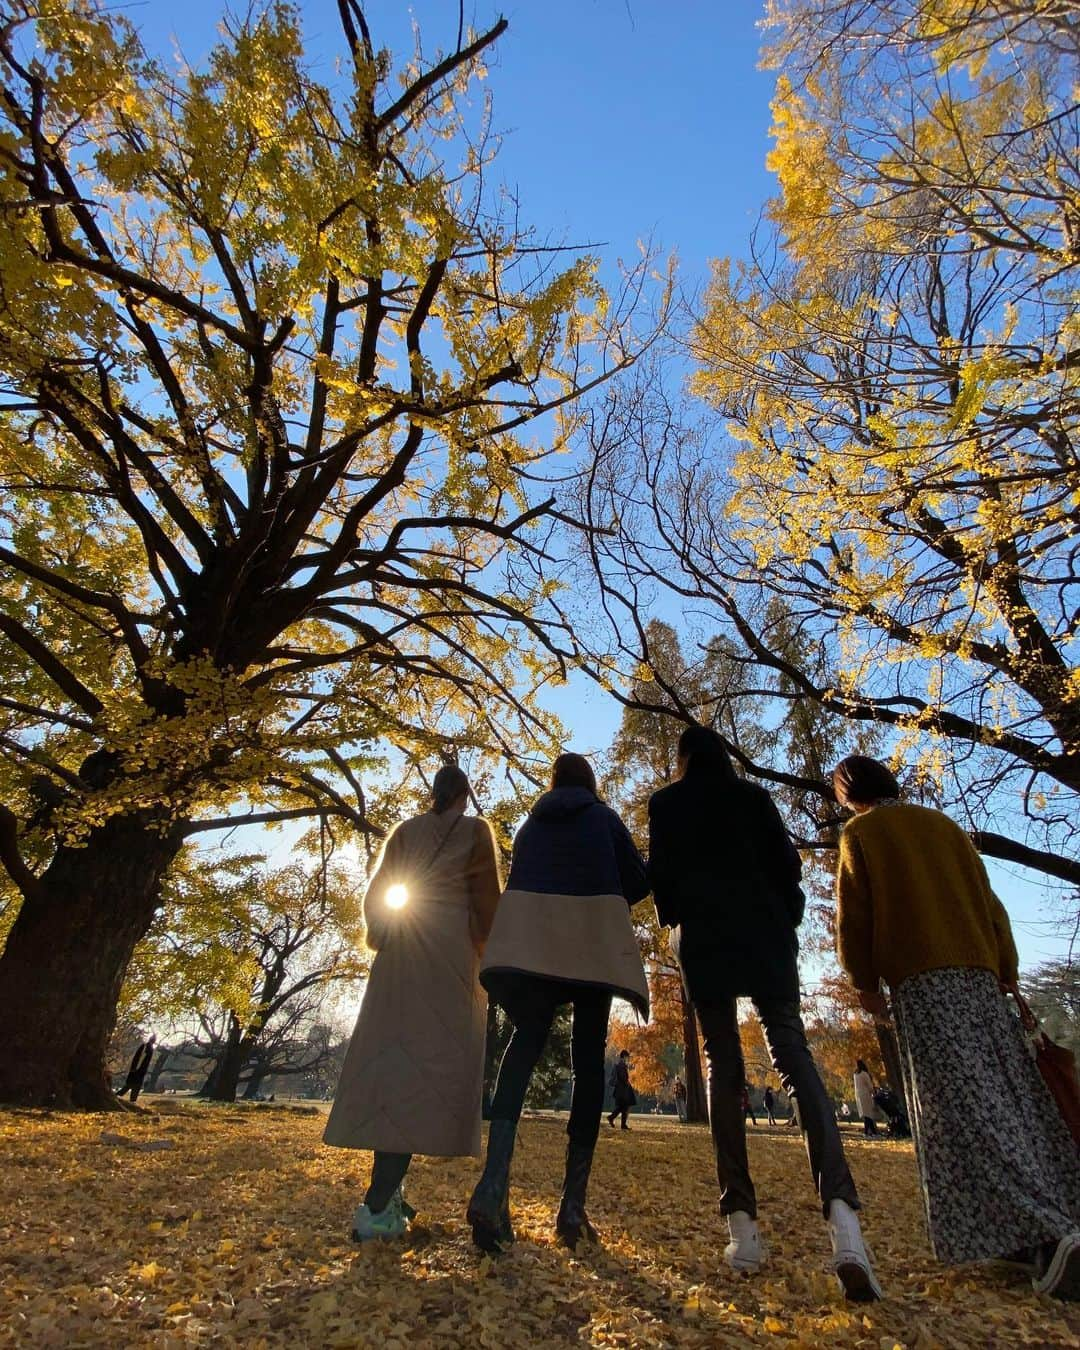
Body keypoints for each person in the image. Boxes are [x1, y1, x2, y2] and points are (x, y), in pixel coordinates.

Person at [834, 754, 1080, 1300]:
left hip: (925, 983)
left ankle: (1049, 1231)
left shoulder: (864, 832)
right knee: (1010, 1100)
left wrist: (865, 981)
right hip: (983, 979)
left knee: (961, 1113)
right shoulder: (945, 828)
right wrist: (1008, 974)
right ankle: (1026, 1234)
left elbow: (856, 913)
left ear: (849, 792)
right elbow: (994, 910)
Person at [649, 725, 880, 1301]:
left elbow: (664, 883)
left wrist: (678, 919)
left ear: (682, 760)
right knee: (793, 1056)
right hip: (767, 936)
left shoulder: (667, 802)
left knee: (721, 1064)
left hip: (705, 941)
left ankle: (743, 1229)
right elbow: (788, 867)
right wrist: (786, 917)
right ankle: (843, 1222)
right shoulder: (755, 797)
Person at [467, 752, 649, 1252]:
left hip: (533, 950)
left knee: (524, 1043)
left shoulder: (530, 826)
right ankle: (571, 1209)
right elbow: (638, 879)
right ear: (589, 782)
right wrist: (601, 890)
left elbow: (519, 881)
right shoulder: (605, 819)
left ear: (553, 783)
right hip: (590, 946)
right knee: (589, 1059)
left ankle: (492, 1186)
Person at [324, 764, 502, 1242]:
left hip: (402, 954)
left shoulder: (405, 830)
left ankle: (388, 1193)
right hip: (449, 959)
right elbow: (487, 904)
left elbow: (379, 891)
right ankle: (377, 1204)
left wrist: (380, 935)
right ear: (464, 795)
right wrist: (490, 955)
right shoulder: (475, 832)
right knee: (428, 1076)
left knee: (394, 1072)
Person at [115, 1034, 156, 1103]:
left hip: (140, 1069)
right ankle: (130, 1099)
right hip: (138, 1069)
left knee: (132, 1084)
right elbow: (141, 1058)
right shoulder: (146, 1046)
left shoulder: (149, 1047)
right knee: (134, 1085)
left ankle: (123, 1096)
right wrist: (136, 1068)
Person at [608, 1049, 636, 1130]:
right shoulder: (621, 1065)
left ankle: (619, 1122)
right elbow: (623, 1077)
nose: (628, 1059)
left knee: (623, 1107)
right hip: (622, 1090)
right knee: (623, 1107)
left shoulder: (621, 1065)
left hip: (621, 1090)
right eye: (627, 1057)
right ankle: (612, 1118)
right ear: (624, 1056)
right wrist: (627, 1082)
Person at [853, 1060, 879, 1136]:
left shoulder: (855, 1075)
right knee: (868, 1114)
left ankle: (872, 1132)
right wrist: (873, 1092)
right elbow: (869, 1085)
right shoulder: (864, 1074)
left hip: (858, 1095)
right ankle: (868, 1132)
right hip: (865, 1095)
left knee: (866, 1115)